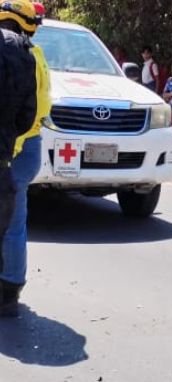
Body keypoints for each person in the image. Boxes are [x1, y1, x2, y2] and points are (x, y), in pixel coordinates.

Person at [0, 0, 38, 317]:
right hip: (8, 156)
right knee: (11, 226)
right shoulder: (28, 55)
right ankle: (8, 295)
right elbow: (29, 115)